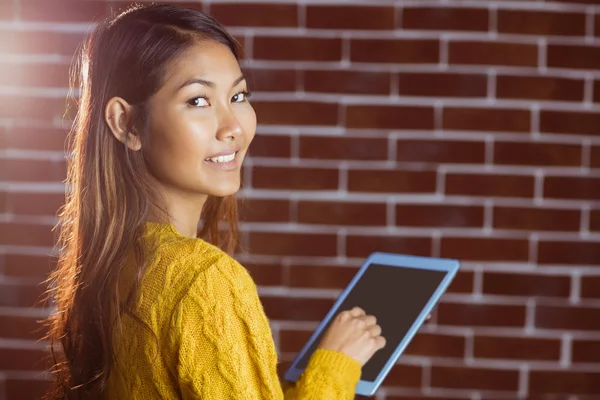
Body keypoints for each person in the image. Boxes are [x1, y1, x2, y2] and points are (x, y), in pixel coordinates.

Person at [44, 3, 386, 399]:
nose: (234, 127)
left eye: (239, 95)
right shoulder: (203, 280)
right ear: (126, 123)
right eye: (198, 101)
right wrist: (335, 366)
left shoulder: (111, 261)